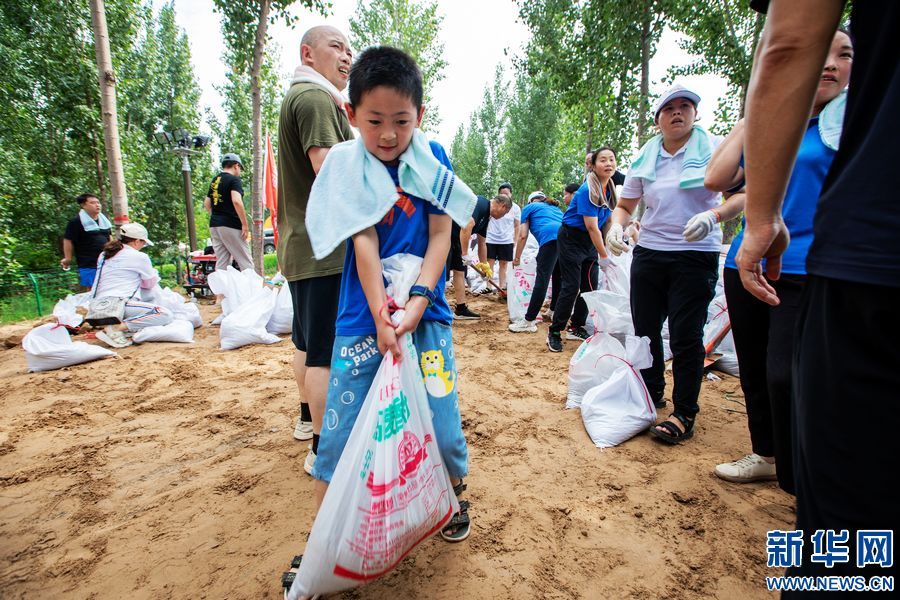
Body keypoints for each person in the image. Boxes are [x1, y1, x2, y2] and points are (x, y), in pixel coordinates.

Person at [741, 0, 899, 585]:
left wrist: (761, 220)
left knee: (846, 525)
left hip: (871, 259)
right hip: (845, 260)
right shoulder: (807, 127)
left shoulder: (843, 122)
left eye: (846, 52)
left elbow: (786, 45)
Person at [306, 45, 472, 569]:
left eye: (401, 121)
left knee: (442, 426)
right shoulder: (346, 166)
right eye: (374, 120)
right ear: (351, 114)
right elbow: (364, 244)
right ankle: (319, 545)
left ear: (419, 116)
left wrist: (418, 303)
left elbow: (442, 236)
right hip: (362, 317)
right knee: (338, 434)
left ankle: (451, 492)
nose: (387, 135)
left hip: (428, 313)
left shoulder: (434, 159)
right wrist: (381, 315)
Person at [705, 27, 853, 490]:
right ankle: (766, 453)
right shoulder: (777, 129)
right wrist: (762, 105)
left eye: (843, 55)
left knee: (787, 376)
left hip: (810, 268)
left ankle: (802, 479)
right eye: (819, 52)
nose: (829, 64)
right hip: (744, 263)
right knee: (753, 368)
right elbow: (718, 176)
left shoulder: (854, 126)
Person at [606, 84, 742, 443]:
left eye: (685, 106)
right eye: (669, 108)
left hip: (695, 255)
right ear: (658, 120)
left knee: (685, 335)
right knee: (646, 330)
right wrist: (616, 228)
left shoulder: (714, 150)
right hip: (650, 253)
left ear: (696, 114)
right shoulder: (645, 158)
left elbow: (741, 196)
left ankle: (684, 413)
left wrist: (714, 215)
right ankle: (652, 393)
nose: (677, 112)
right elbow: (626, 205)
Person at [276, 25, 353, 470]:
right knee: (325, 353)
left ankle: (308, 419)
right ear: (308, 52)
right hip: (324, 250)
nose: (346, 56)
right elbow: (329, 170)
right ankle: (323, 452)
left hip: (301, 246)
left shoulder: (301, 97)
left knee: (306, 343)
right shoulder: (316, 98)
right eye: (336, 47)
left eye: (349, 50)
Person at [547, 147, 617, 352]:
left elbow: (609, 219)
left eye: (611, 159)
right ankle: (555, 331)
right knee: (571, 286)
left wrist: (611, 241)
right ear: (593, 166)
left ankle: (576, 326)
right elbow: (591, 226)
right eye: (603, 160)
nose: (608, 164)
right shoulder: (588, 190)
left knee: (590, 287)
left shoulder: (610, 188)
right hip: (572, 238)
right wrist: (603, 254)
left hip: (590, 242)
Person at [89, 223, 173, 349]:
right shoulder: (139, 257)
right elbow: (150, 283)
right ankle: (117, 328)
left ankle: (116, 326)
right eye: (143, 243)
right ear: (136, 241)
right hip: (119, 304)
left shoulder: (104, 254)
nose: (143, 246)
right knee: (164, 314)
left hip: (96, 306)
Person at [447, 194, 512, 319]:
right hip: (446, 235)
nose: (501, 217)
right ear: (503, 207)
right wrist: (465, 254)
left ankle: (461, 309)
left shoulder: (486, 217)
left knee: (459, 272)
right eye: (504, 214)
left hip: (457, 240)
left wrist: (485, 266)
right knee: (440, 271)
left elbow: (482, 242)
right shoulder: (481, 203)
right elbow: (467, 225)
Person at [509, 191, 563, 332]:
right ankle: (552, 311)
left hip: (550, 240)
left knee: (542, 279)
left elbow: (523, 235)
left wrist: (517, 258)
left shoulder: (529, 208)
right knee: (558, 277)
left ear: (531, 201)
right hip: (567, 240)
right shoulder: (555, 208)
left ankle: (529, 321)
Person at [204, 153, 253, 272]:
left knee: (222, 262)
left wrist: (217, 217)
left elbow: (207, 203)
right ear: (236, 166)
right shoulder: (233, 180)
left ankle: (222, 290)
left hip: (215, 225)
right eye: (240, 168)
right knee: (245, 261)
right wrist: (244, 225)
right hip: (230, 224)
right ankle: (252, 289)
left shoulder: (215, 180)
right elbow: (236, 201)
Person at [62, 193, 111, 288]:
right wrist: (68, 258)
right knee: (92, 290)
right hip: (89, 263)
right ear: (83, 205)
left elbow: (109, 237)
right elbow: (68, 240)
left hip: (107, 261)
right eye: (92, 203)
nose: (97, 205)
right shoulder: (76, 222)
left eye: (98, 202)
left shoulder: (104, 221)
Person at [485, 189, 521, 294]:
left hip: (506, 240)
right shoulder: (492, 205)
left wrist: (515, 240)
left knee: (503, 264)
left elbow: (517, 225)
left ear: (511, 194)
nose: (504, 194)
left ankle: (502, 287)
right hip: (491, 238)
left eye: (506, 193)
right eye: (502, 193)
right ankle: (488, 286)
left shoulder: (515, 208)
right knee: (489, 263)